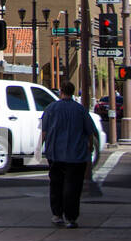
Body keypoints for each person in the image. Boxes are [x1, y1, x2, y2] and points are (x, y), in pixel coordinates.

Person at [38, 80, 97, 228]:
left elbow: (44, 132)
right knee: (73, 186)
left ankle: (57, 214)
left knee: (56, 184)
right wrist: (89, 147)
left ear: (60, 91)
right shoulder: (80, 110)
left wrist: (39, 149)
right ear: (73, 92)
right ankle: (71, 217)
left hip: (55, 154)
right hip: (76, 155)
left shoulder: (50, 109)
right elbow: (89, 131)